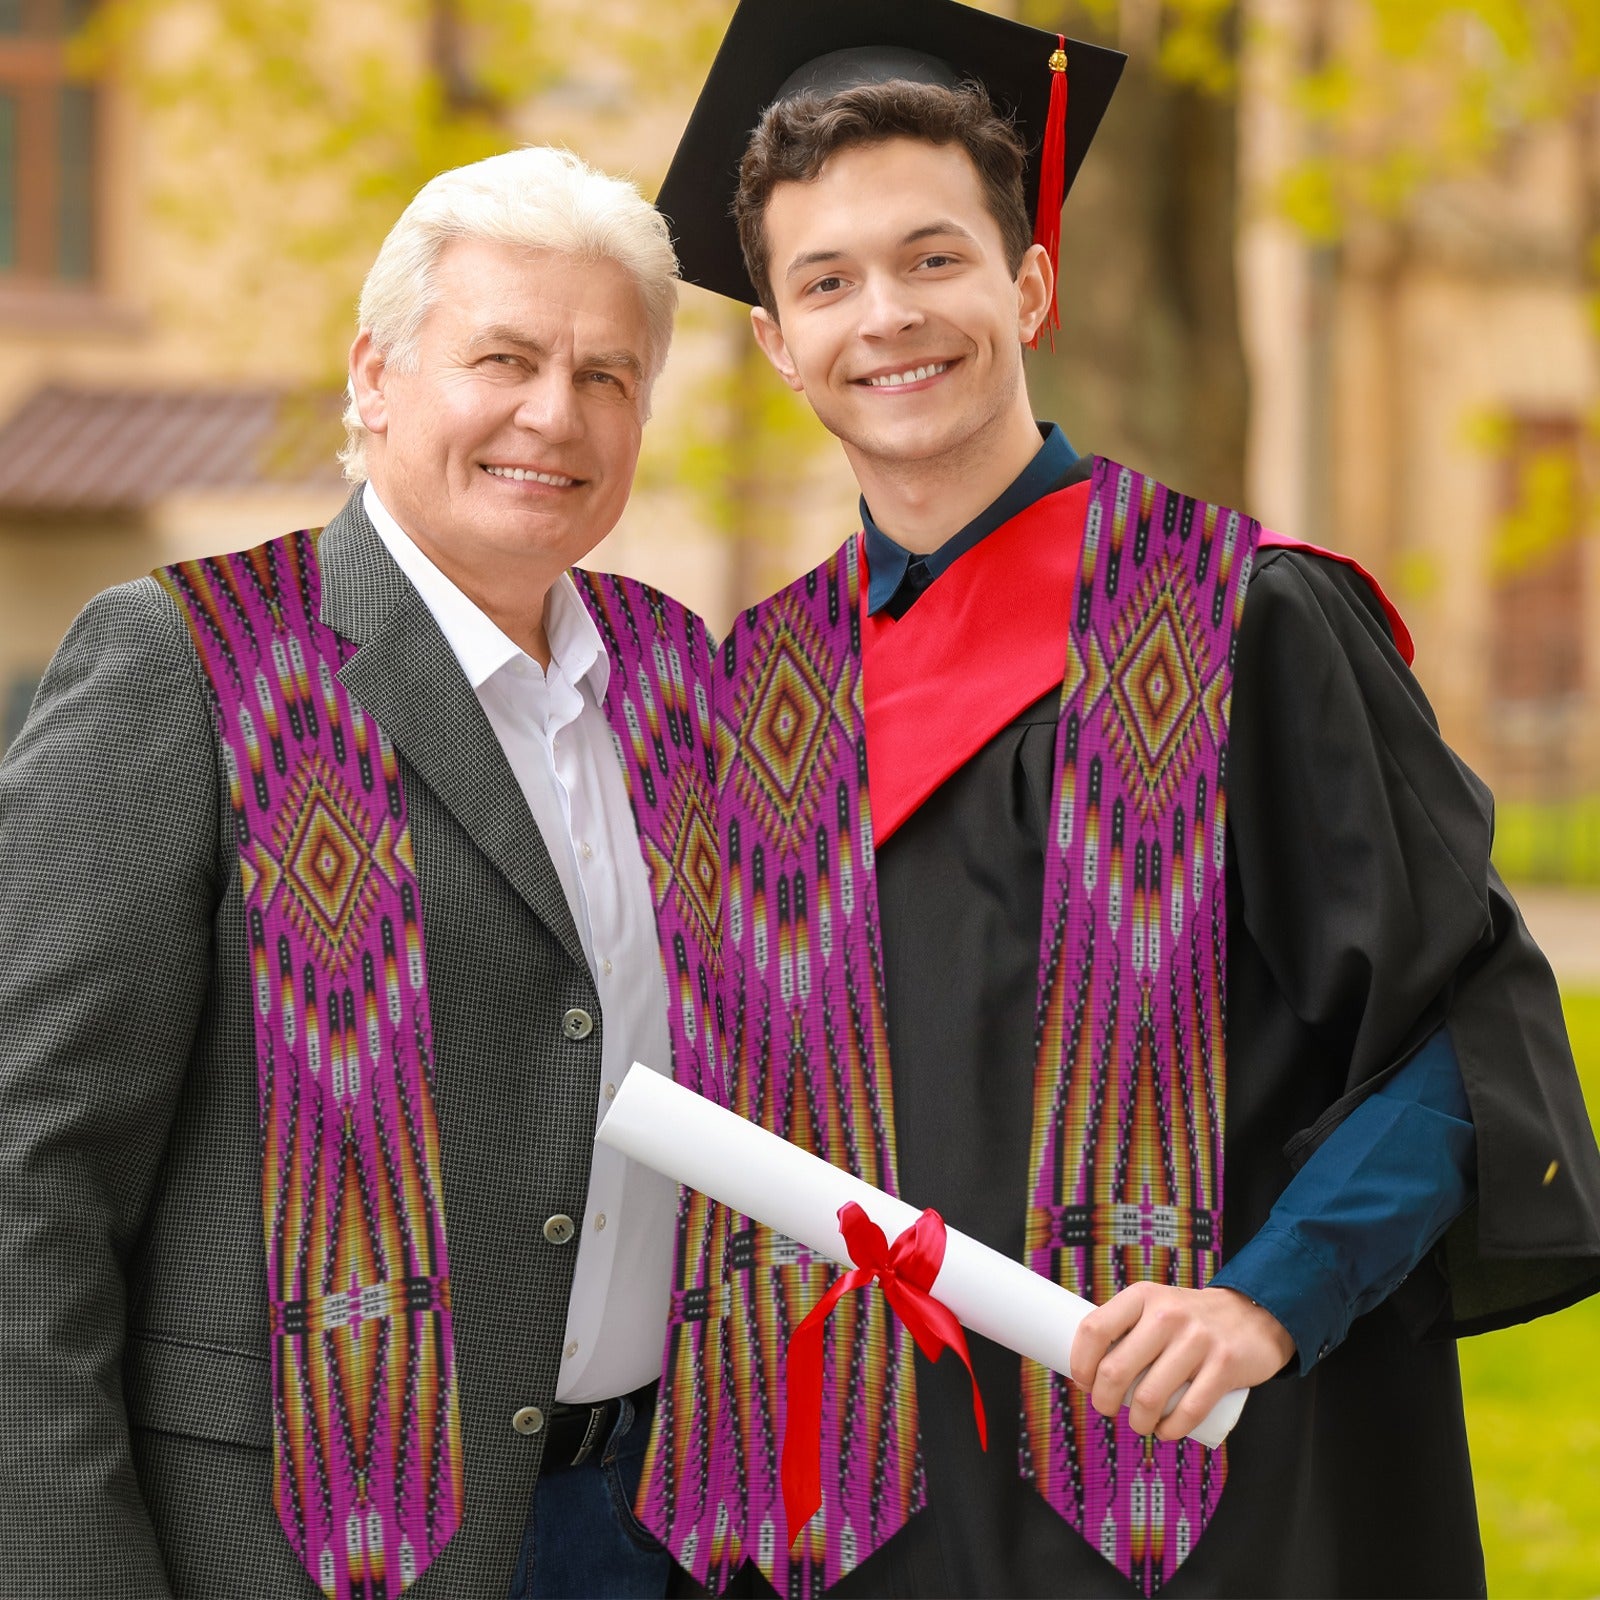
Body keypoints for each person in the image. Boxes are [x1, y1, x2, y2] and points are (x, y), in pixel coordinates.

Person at [625, 2, 1600, 1596]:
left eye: (935, 259)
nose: (888, 316)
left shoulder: (1242, 622)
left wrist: (1268, 1299)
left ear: (1030, 282)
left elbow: (1460, 1035)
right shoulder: (766, 694)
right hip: (862, 1520)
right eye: (828, 281)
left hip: (1199, 1495)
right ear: (778, 343)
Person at [0, 146, 703, 1599]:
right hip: (291, 1550)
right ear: (375, 377)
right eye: (502, 357)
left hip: (644, 1531)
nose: (552, 415)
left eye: (606, 376)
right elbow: (27, 1172)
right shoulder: (189, 662)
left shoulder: (678, 677)